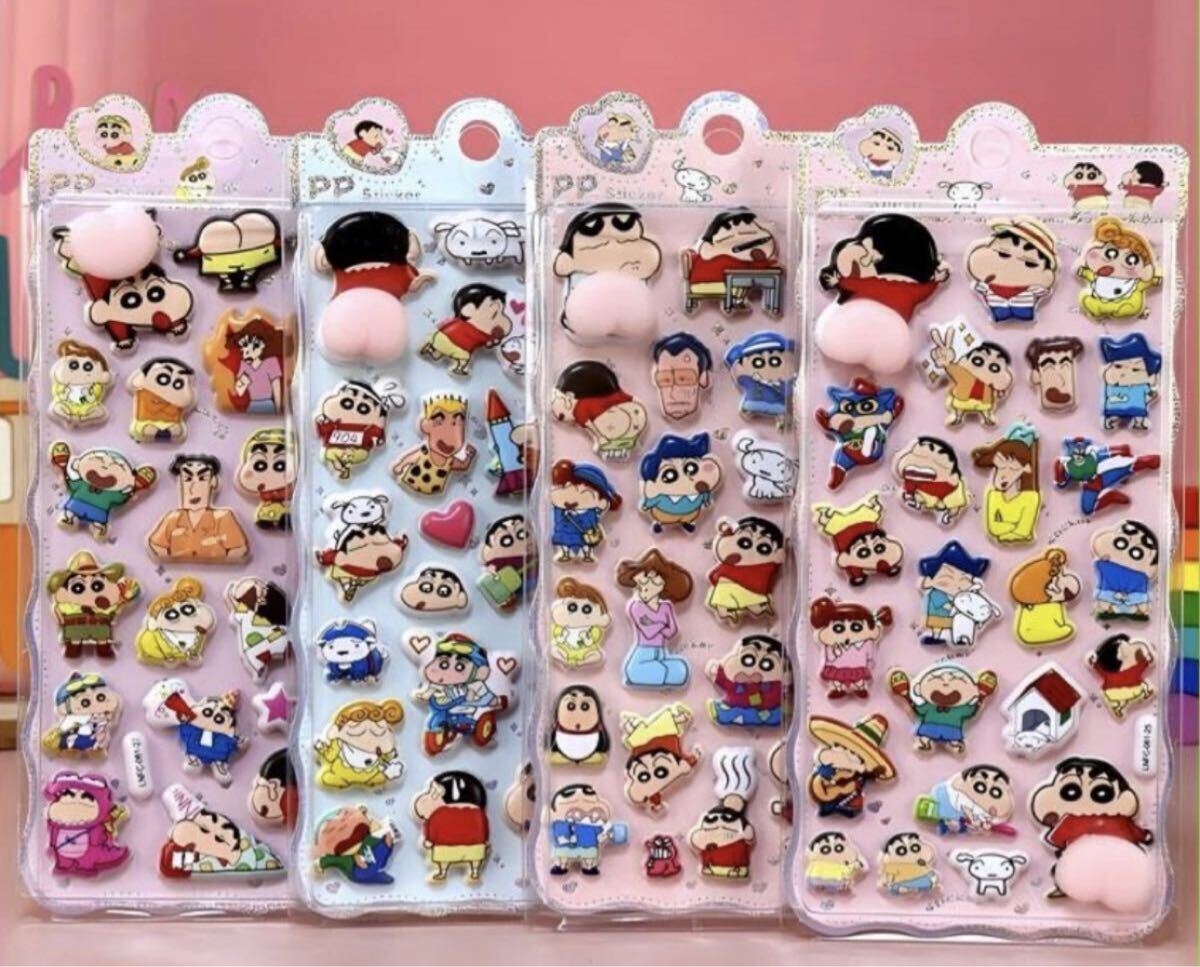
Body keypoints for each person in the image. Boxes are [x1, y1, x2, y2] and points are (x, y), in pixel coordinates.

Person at [146, 454, 250, 563]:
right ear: (180, 482)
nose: (193, 488)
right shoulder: (172, 518)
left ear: (213, 481)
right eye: (187, 479)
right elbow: (156, 545)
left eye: (202, 478)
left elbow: (239, 550)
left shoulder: (224, 518)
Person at [616, 548, 693, 688]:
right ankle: (639, 675)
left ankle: (657, 674)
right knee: (662, 671)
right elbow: (649, 632)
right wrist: (662, 625)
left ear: (662, 582)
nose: (644, 588)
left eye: (648, 581)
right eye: (640, 585)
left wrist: (655, 624)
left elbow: (672, 632)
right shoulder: (636, 607)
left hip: (661, 653)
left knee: (681, 669)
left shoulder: (666, 607)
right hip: (642, 654)